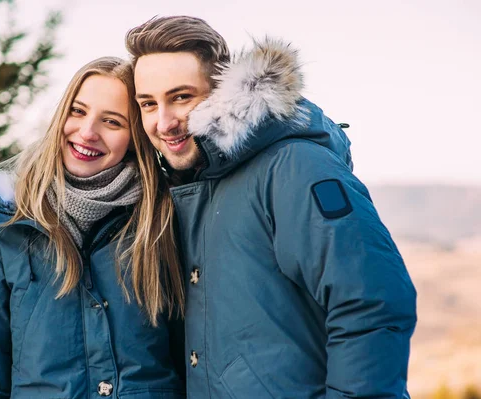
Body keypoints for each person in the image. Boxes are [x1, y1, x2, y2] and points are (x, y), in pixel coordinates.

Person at [125, 16, 417, 398]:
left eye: (181, 97)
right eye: (149, 103)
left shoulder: (295, 167)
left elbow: (371, 305)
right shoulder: (189, 189)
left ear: (221, 92)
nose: (164, 122)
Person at [0, 57, 186, 399]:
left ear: (135, 138)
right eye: (78, 111)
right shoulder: (8, 224)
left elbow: (195, 355)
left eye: (112, 121)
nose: (88, 132)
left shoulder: (162, 218)